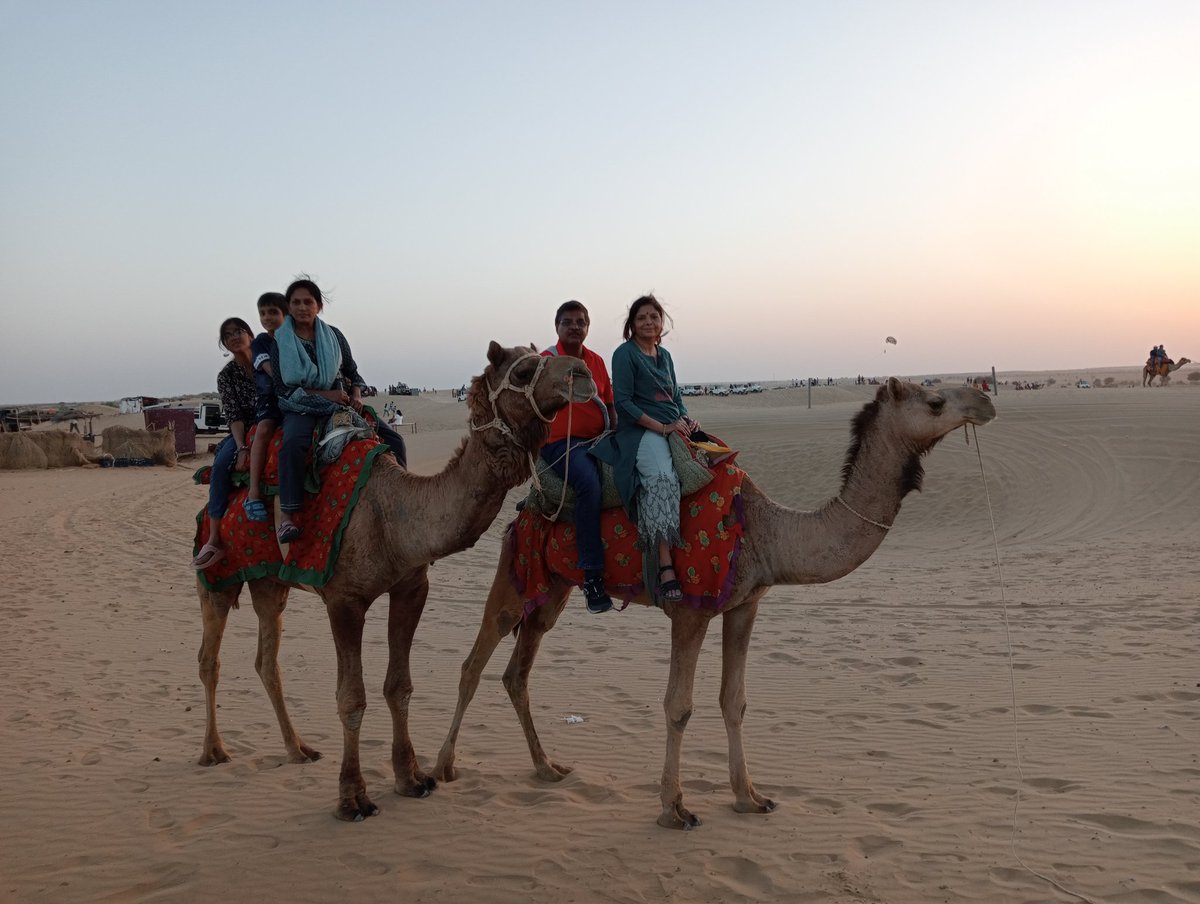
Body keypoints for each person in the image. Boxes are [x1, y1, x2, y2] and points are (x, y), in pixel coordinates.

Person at [269, 277, 408, 543]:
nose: (302, 307)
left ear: (318, 306)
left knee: (393, 440)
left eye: (308, 302)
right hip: (299, 406)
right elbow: (283, 389)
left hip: (339, 403)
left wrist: (355, 395)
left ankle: (402, 498)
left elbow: (352, 373)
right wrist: (326, 395)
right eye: (296, 302)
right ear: (288, 307)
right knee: (293, 446)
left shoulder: (333, 336)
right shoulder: (281, 342)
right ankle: (288, 516)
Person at [592, 294, 699, 604]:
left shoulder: (664, 356)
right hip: (640, 431)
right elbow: (623, 403)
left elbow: (675, 397)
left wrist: (686, 420)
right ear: (632, 325)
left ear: (661, 322)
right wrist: (662, 427)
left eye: (654, 316)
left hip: (672, 424)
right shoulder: (624, 355)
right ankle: (665, 565)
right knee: (663, 480)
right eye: (642, 318)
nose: (649, 322)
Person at [540, 300, 618, 613]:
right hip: (562, 444)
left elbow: (609, 404)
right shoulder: (547, 361)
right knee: (589, 485)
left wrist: (616, 433)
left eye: (581, 322)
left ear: (587, 327)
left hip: (599, 439)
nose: (575, 326)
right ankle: (592, 575)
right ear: (557, 327)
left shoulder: (596, 361)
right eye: (568, 322)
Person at [192, 317, 259, 569]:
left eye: (238, 330)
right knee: (221, 465)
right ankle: (214, 537)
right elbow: (234, 415)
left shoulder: (270, 362)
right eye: (227, 335)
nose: (234, 336)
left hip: (281, 421)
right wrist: (242, 447)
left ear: (250, 334)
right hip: (246, 429)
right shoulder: (227, 376)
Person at [242, 292, 287, 522]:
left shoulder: (296, 340)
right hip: (271, 398)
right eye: (263, 313)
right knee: (264, 430)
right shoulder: (261, 342)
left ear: (285, 314)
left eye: (273, 312)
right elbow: (272, 371)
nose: (267, 317)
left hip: (297, 397)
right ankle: (254, 493)